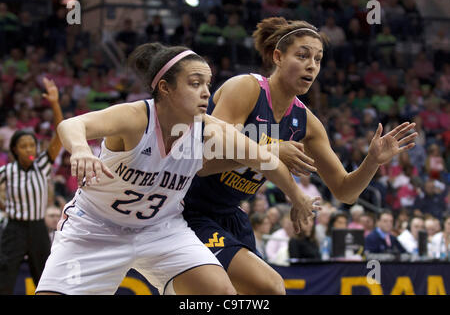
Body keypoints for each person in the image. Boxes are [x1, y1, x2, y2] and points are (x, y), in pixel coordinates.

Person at [35, 43, 318, 295]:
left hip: (162, 229)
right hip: (96, 228)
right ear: (165, 88)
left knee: (219, 291)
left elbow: (265, 160)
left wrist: (296, 196)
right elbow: (72, 125)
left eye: (208, 84)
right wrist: (83, 150)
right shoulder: (136, 117)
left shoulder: (210, 129)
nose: (206, 92)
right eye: (195, 83)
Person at [182, 17, 417, 294]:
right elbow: (202, 164)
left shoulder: (306, 121)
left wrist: (372, 161)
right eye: (303, 55)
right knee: (267, 288)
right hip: (187, 206)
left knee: (259, 292)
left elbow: (344, 191)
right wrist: (270, 151)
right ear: (278, 57)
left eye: (317, 59)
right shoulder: (245, 88)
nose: (311, 65)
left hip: (229, 214)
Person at [0, 78, 63, 294]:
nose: (29, 148)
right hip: (13, 229)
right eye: (23, 145)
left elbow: (60, 135)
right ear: (15, 150)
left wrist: (55, 104)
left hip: (37, 228)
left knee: (46, 279)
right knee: (4, 279)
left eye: (32, 144)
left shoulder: (43, 165)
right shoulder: (6, 171)